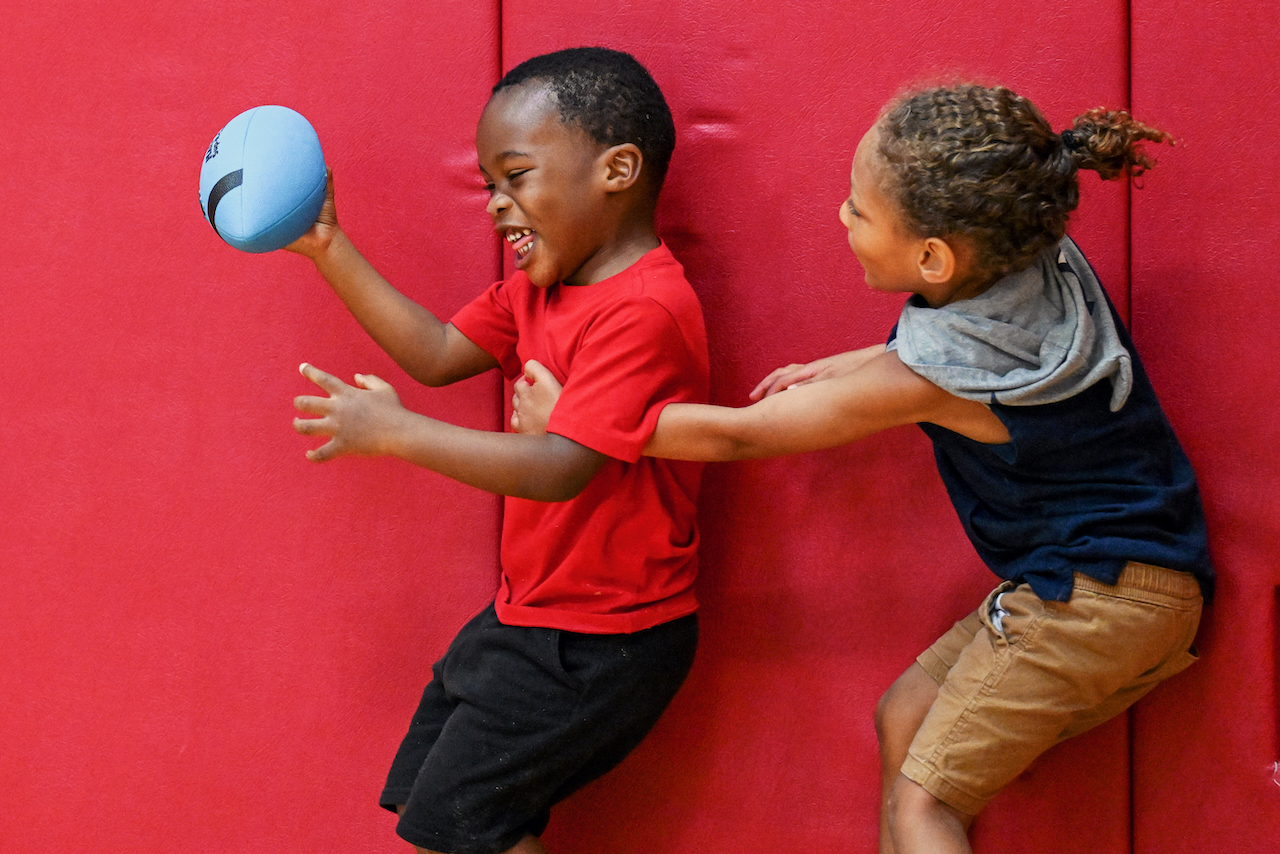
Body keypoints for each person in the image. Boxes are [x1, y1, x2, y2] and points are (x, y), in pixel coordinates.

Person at [512, 82, 1212, 854]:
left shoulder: (930, 376)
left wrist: (577, 420)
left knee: (925, 805)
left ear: (933, 258)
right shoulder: (1035, 247)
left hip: (1091, 597)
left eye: (858, 210)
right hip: (1133, 581)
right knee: (904, 715)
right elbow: (950, 348)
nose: (841, 218)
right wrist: (846, 364)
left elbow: (743, 435)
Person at [286, 47, 709, 854]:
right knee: (447, 814)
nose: (496, 205)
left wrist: (399, 433)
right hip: (531, 617)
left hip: (602, 641)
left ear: (617, 169)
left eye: (516, 177)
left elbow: (561, 467)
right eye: (488, 184)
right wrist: (329, 247)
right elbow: (439, 352)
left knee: (460, 827)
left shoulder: (647, 309)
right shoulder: (541, 288)